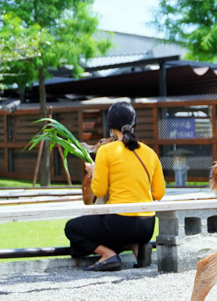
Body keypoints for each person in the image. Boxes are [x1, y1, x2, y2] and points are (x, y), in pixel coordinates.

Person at [65, 102, 165, 271]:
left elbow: (99, 191)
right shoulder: (150, 152)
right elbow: (159, 193)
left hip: (119, 223)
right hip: (147, 225)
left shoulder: (107, 151)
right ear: (134, 125)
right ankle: (138, 248)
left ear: (111, 127)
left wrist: (94, 171)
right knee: (124, 229)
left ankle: (108, 255)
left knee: (72, 228)